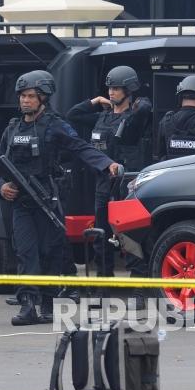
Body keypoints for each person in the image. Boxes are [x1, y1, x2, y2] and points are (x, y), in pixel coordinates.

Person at [0, 70, 123, 326]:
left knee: (50, 252)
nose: (25, 101)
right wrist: (1, 187)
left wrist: (106, 163)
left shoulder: (54, 125)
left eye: (31, 96)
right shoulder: (12, 128)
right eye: (22, 96)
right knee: (26, 252)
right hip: (21, 202)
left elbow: (81, 147)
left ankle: (49, 304)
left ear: (43, 97)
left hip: (47, 197)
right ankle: (28, 305)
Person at [67, 65, 152, 276]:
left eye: (116, 88)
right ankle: (104, 283)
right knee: (100, 237)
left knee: (131, 237)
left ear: (128, 90)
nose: (111, 92)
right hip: (103, 186)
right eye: (110, 88)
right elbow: (73, 114)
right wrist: (94, 101)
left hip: (126, 187)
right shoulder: (101, 117)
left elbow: (143, 110)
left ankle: (138, 287)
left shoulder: (134, 119)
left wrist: (136, 102)